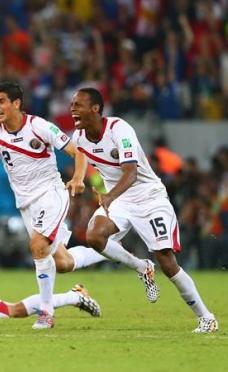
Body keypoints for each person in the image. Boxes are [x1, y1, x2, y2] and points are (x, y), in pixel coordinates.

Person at [0, 81, 113, 330]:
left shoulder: (39, 126)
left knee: (37, 246)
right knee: (63, 263)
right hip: (26, 205)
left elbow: (78, 152)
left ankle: (47, 313)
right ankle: (105, 249)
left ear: (16, 103)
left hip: (51, 194)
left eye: (1, 101)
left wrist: (78, 178)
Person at [69, 87, 219, 333]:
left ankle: (206, 317)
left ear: (95, 109)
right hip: (120, 201)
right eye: (72, 104)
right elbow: (81, 155)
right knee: (94, 236)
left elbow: (131, 171)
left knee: (166, 261)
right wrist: (78, 178)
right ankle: (142, 267)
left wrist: (109, 196)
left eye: (78, 105)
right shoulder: (79, 137)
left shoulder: (120, 130)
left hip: (148, 197)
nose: (72, 109)